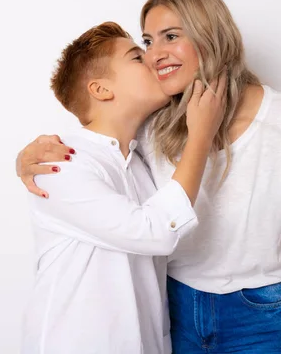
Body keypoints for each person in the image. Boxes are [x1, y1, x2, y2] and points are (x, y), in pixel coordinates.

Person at [18, 0, 281, 354]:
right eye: (147, 43)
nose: (155, 55)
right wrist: (27, 159)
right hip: (178, 305)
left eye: (170, 36)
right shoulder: (153, 127)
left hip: (260, 312)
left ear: (209, 33)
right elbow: (103, 147)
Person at [21, 21, 227, 354]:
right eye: (136, 56)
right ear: (101, 90)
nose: (152, 59)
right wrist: (200, 137)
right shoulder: (59, 166)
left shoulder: (143, 163)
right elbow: (156, 232)